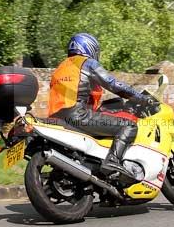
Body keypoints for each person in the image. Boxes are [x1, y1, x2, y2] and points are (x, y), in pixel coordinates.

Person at [47, 33, 158, 178]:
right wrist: (140, 97)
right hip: (78, 115)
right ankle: (113, 161)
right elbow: (112, 84)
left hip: (58, 118)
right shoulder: (86, 63)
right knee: (128, 126)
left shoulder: (60, 68)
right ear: (90, 47)